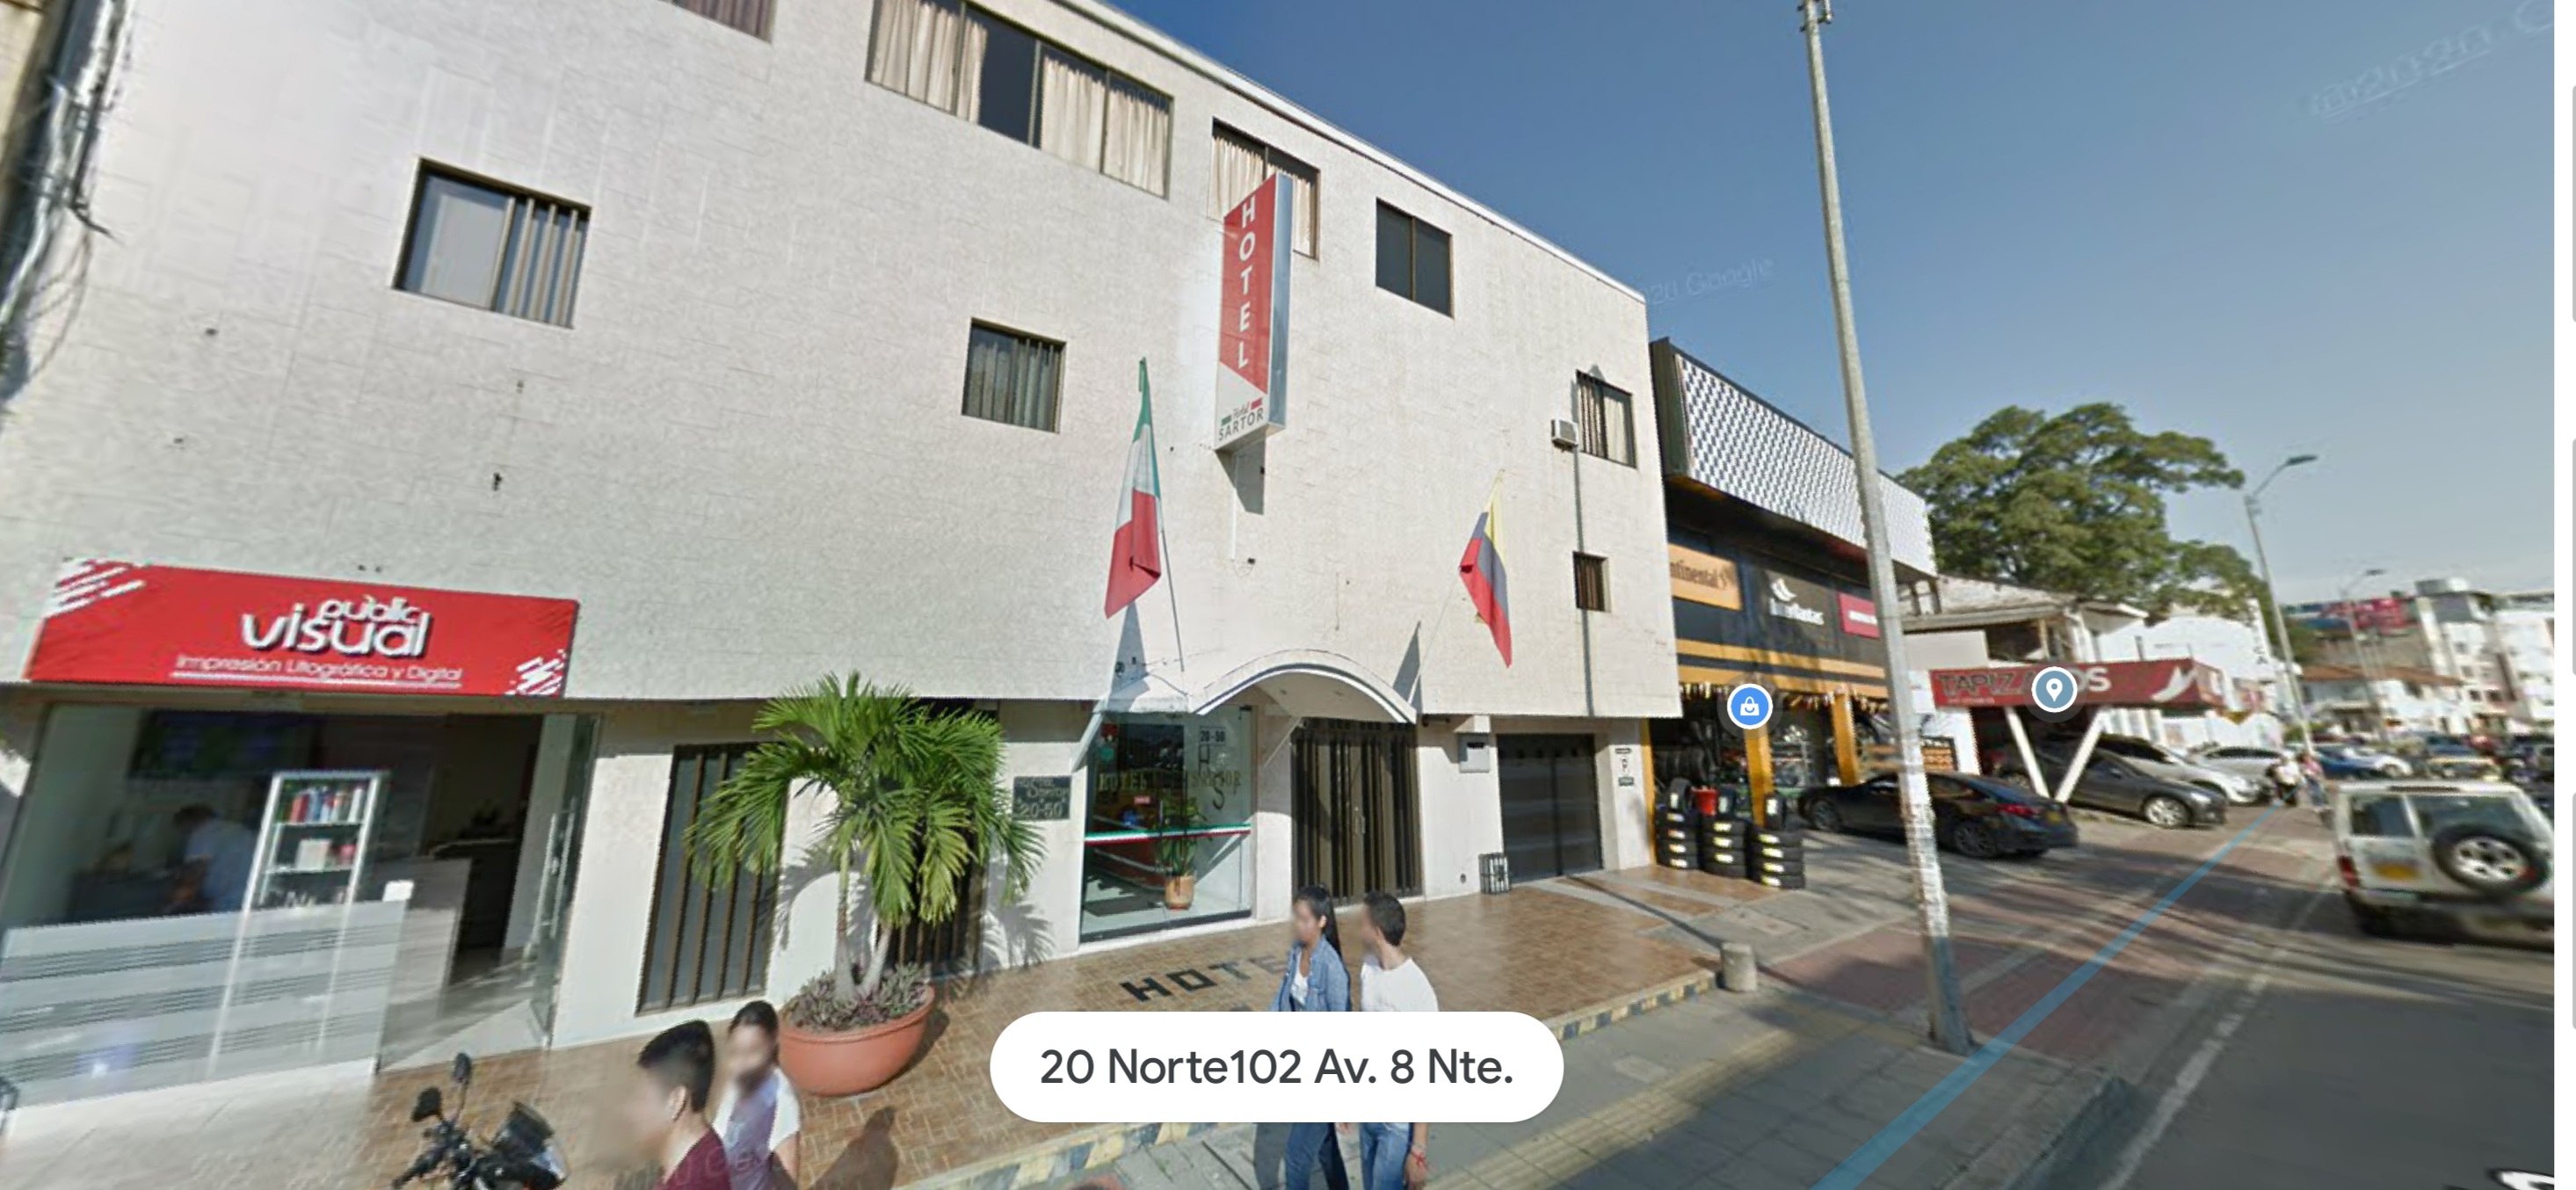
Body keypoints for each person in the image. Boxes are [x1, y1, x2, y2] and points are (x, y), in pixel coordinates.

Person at [1353, 891, 1436, 1190]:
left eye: (1362, 923)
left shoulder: (1417, 989)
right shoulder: (1368, 968)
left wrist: (1418, 1150)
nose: (1357, 929)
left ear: (1376, 931)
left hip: (1396, 1126)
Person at [1270, 885, 1350, 1190]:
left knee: (1296, 1157)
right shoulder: (1297, 951)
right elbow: (1284, 998)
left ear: (1321, 921)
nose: (1298, 924)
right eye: (1296, 917)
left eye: (1305, 919)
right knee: (1326, 1149)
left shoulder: (1332, 968)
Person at [623, 1020, 730, 1190]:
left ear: (675, 1101)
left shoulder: (695, 1180)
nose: (629, 1111)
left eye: (642, 1098)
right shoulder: (701, 1152)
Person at [710, 1001, 802, 1190]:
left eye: (753, 1051)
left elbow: (788, 1175)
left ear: (772, 1045)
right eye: (735, 1052)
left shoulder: (781, 1099)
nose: (741, 1064)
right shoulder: (735, 1080)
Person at [166, 804, 256, 915]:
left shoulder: (203, 833)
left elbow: (193, 875)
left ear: (188, 822)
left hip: (227, 904)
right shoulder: (240, 830)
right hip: (250, 898)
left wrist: (170, 906)